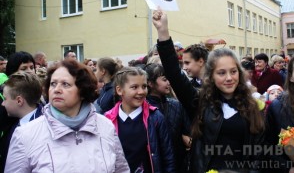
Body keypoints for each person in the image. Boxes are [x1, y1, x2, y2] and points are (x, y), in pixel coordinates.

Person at [152, 9, 264, 172]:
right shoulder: (200, 103)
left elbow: (259, 156)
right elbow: (174, 74)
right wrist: (163, 31)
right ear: (211, 75)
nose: (229, 78)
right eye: (221, 73)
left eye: (233, 72)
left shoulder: (253, 107)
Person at [5, 60, 130, 173]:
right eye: (53, 84)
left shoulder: (105, 126)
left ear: (83, 90)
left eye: (65, 84)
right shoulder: (25, 134)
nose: (57, 89)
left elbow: (121, 170)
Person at [105, 67, 176, 173]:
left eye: (144, 86)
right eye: (134, 87)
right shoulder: (107, 120)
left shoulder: (155, 118)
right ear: (119, 90)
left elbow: (168, 157)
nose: (141, 91)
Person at [144, 63, 191, 172]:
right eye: (164, 80)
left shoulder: (176, 105)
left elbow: (187, 132)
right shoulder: (145, 108)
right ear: (150, 83)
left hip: (180, 164)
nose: (169, 83)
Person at [0, 72, 43, 172]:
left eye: (5, 99)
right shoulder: (10, 125)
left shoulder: (44, 128)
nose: (2, 104)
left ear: (19, 101)